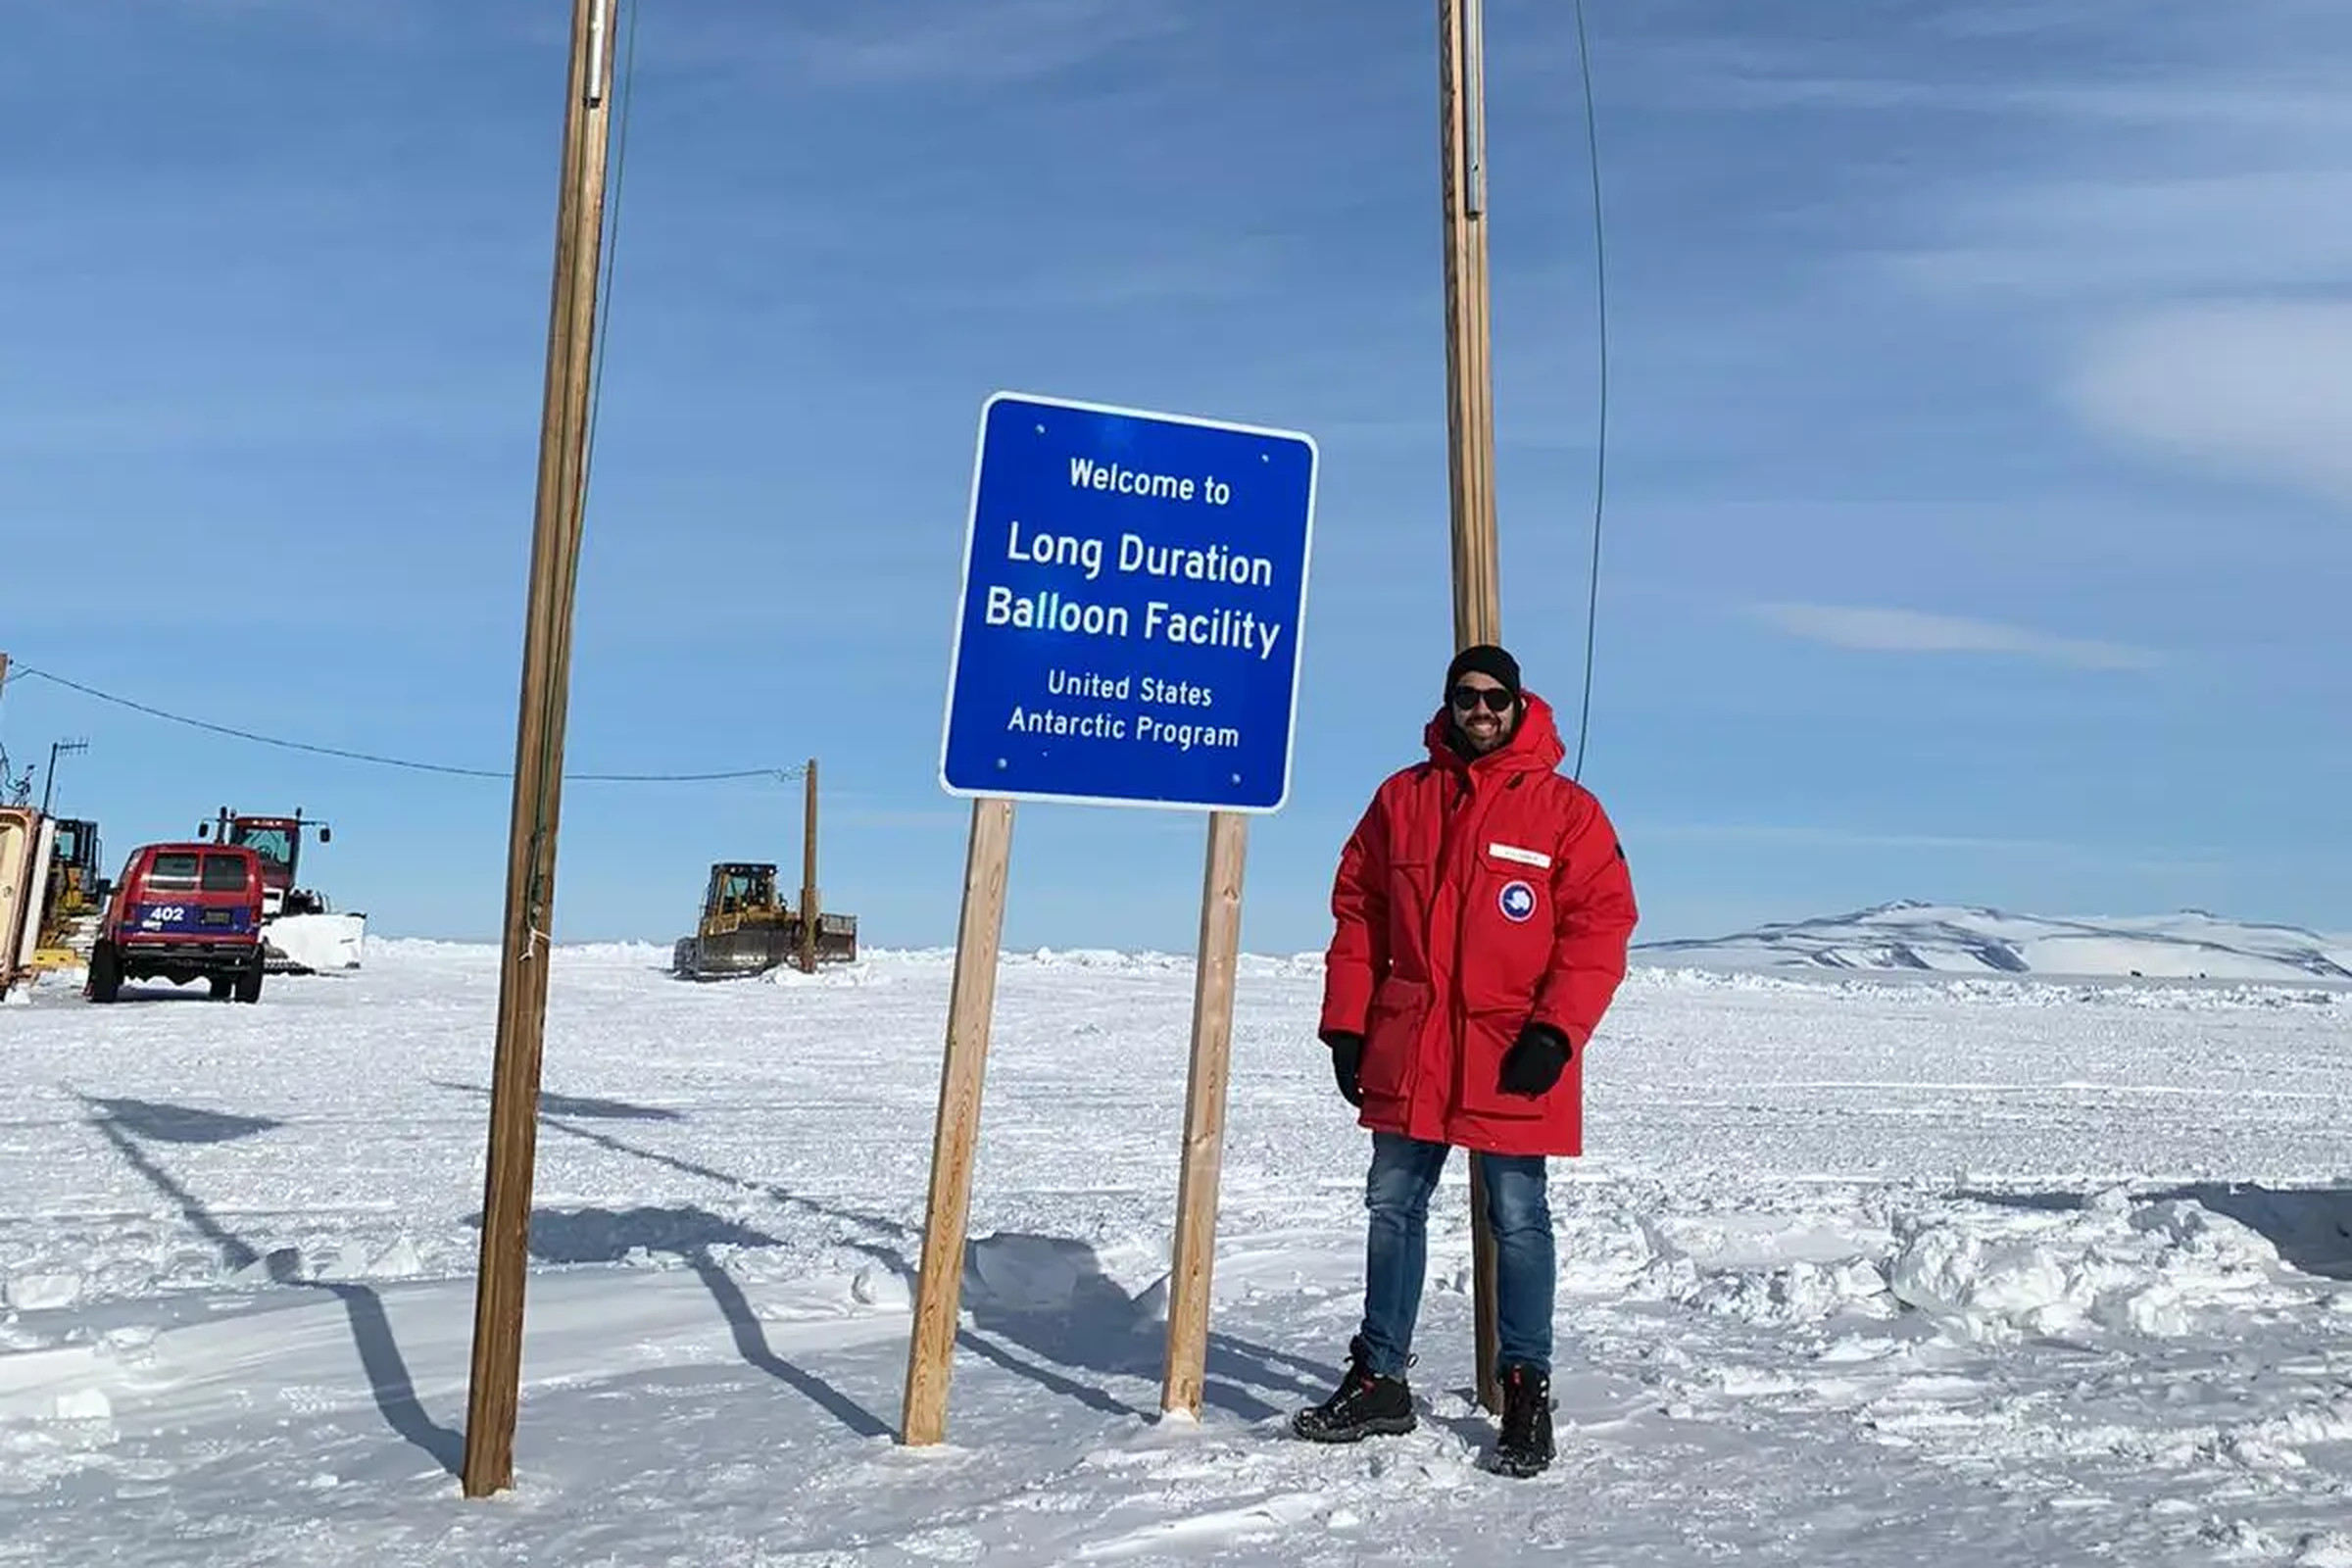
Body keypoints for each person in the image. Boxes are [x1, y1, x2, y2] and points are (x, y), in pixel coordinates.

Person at [1292, 643, 1639, 1478]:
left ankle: (1524, 1388)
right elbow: (1359, 913)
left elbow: (1600, 927)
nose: (1480, 712)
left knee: (1518, 1216)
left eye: (1495, 699)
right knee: (1392, 1204)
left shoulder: (1566, 812)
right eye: (1465, 698)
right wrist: (1348, 1025)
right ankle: (1380, 1377)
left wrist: (1556, 1033)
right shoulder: (1401, 799)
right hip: (1414, 1046)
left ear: (1519, 705)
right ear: (1447, 705)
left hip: (1511, 1051)